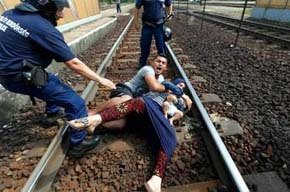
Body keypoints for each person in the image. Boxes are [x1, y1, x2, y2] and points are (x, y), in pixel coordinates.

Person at [0, 0, 116, 157]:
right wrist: (100, 79)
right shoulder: (43, 28)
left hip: (5, 74)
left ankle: (53, 112)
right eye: (60, 9)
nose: (61, 15)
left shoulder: (10, 14)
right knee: (75, 102)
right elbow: (74, 63)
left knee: (50, 79)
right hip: (20, 77)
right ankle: (78, 144)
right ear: (47, 6)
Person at [68, 78, 192, 192]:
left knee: (170, 141)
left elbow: (181, 113)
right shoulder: (166, 87)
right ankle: (97, 118)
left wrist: (184, 104)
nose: (181, 86)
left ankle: (156, 179)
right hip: (149, 108)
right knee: (138, 102)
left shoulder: (181, 101)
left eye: (183, 86)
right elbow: (168, 85)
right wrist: (181, 93)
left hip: (156, 122)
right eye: (180, 84)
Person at [89, 54, 183, 130]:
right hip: (125, 90)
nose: (160, 64)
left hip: (133, 103)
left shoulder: (161, 78)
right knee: (127, 99)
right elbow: (154, 87)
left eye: (163, 63)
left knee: (120, 124)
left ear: (165, 68)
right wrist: (168, 87)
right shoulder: (148, 69)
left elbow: (163, 95)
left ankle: (95, 122)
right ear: (152, 63)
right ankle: (92, 112)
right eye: (158, 61)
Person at [133, 0, 173, 69]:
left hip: (159, 25)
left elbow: (169, 4)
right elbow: (137, 7)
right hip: (147, 25)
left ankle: (162, 65)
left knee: (161, 47)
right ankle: (142, 63)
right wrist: (136, 22)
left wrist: (169, 14)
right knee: (144, 46)